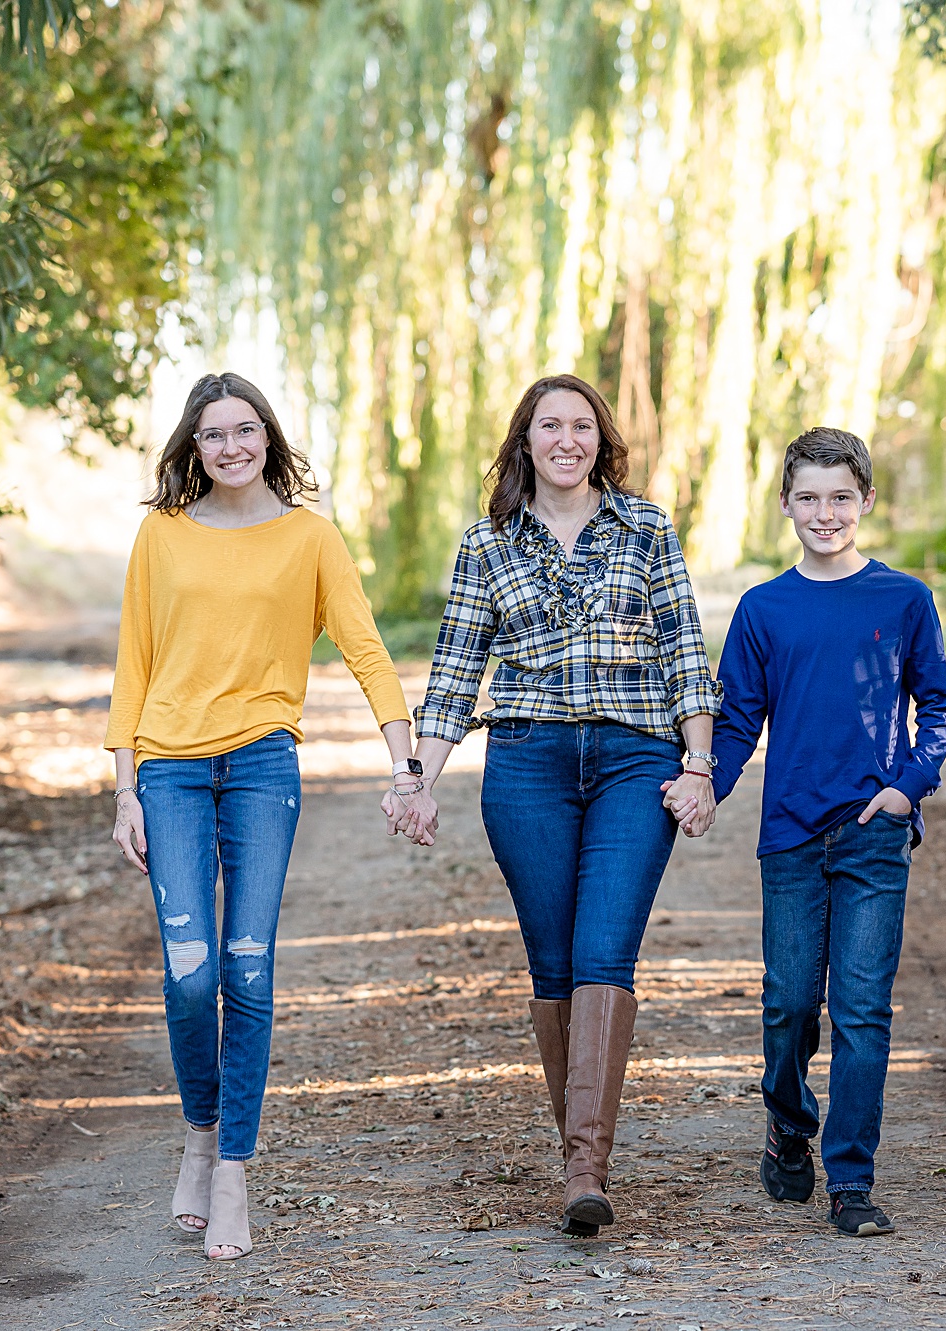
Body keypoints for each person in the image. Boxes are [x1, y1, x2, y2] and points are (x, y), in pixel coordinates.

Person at [104, 372, 435, 1261]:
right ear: (193, 446)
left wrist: (405, 763)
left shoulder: (309, 538)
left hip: (261, 765)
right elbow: (133, 660)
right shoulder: (161, 534)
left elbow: (365, 648)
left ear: (269, 437)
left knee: (246, 971)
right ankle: (198, 1136)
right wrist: (125, 786)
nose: (230, 447)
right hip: (169, 767)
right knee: (187, 972)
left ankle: (234, 1173)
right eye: (212, 435)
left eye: (245, 430)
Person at [406, 373, 722, 1236]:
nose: (567, 440)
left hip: (635, 759)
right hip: (527, 763)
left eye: (583, 425)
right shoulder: (488, 543)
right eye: (551, 425)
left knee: (602, 951)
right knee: (552, 963)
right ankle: (579, 1152)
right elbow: (455, 673)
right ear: (526, 441)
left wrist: (699, 765)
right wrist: (419, 775)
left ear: (601, 440)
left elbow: (688, 655)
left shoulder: (647, 527)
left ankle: (587, 1167)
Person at [701, 426, 946, 1237]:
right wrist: (702, 786)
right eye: (808, 497)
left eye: (840, 496)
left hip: (872, 836)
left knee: (860, 1011)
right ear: (785, 504)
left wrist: (905, 788)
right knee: (787, 1004)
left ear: (867, 500)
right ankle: (787, 1121)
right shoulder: (762, 608)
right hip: (789, 836)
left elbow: (940, 709)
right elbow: (738, 720)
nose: (825, 512)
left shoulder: (903, 599)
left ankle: (851, 1181)